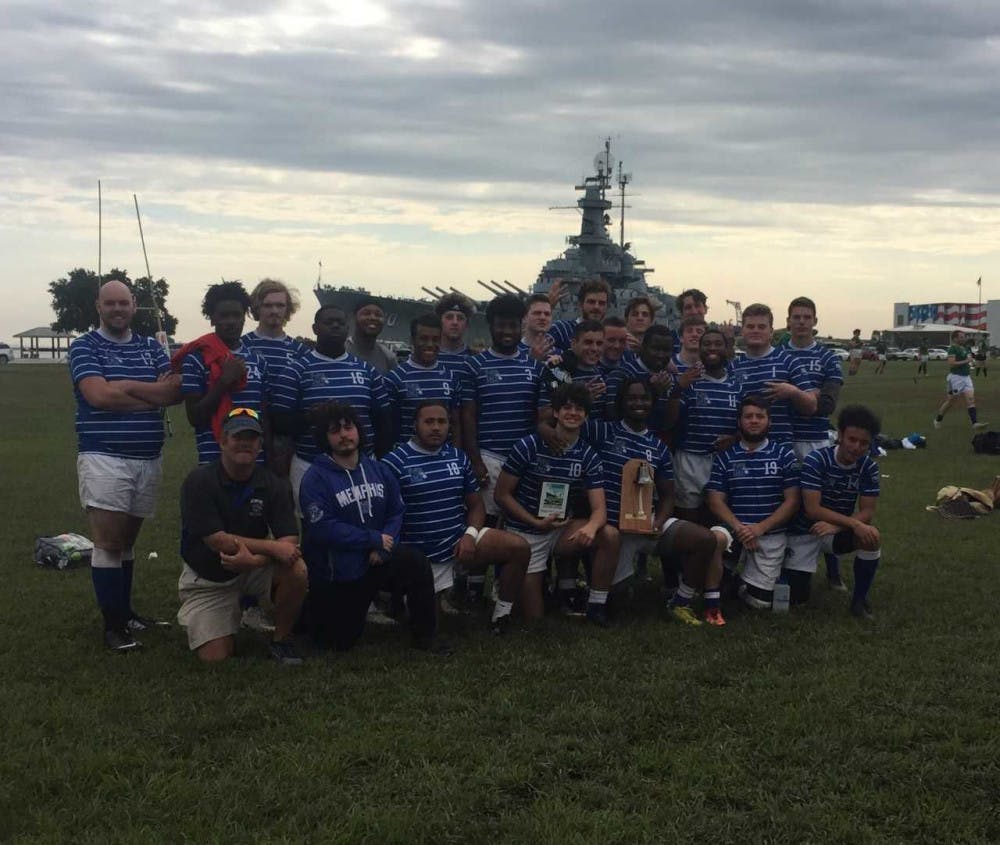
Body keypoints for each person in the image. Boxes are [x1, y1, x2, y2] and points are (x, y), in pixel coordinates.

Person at [69, 280, 183, 651]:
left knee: (128, 543)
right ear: (98, 307)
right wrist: (150, 395)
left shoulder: (151, 346)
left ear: (134, 305)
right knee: (108, 543)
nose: (117, 309)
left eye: (123, 303)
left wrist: (126, 387)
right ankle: (113, 626)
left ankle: (126, 612)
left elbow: (174, 391)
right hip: (104, 456)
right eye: (110, 303)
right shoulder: (85, 346)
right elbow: (99, 396)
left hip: (148, 458)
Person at [298, 402, 446, 653]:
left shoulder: (378, 469)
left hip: (378, 558)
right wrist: (371, 539)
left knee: (416, 563)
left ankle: (425, 636)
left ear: (358, 430)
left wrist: (385, 544)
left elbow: (396, 510)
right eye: (335, 431)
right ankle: (309, 617)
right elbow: (323, 527)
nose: (344, 435)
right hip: (342, 570)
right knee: (337, 644)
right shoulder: (315, 478)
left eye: (348, 428)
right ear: (325, 438)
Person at [584, 377, 730, 626]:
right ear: (621, 402)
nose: (638, 403)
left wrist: (658, 523)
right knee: (618, 602)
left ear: (653, 403)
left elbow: (668, 495)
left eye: (644, 398)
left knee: (705, 540)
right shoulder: (603, 431)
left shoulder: (658, 447)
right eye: (632, 398)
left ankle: (680, 601)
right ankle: (599, 599)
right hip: (613, 527)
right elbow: (566, 426)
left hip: (646, 523)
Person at [382, 400, 530, 634]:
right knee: (428, 628)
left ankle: (501, 616)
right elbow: (384, 515)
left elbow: (476, 505)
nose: (436, 427)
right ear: (415, 425)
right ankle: (400, 599)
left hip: (458, 542)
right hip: (420, 554)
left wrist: (470, 535)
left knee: (518, 547)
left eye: (442, 422)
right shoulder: (393, 462)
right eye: (429, 422)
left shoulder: (458, 457)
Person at [177, 409, 307, 664]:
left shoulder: (273, 483)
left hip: (252, 567)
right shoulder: (199, 481)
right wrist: (271, 549)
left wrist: (255, 561)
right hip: (210, 577)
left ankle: (282, 640)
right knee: (215, 657)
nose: (245, 443)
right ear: (223, 441)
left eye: (252, 438)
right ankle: (224, 616)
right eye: (237, 437)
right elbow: (218, 541)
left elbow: (289, 541)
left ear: (260, 445)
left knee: (297, 569)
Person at [494, 383, 616, 625]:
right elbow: (502, 495)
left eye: (579, 409)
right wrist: (534, 522)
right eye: (567, 408)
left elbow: (599, 509)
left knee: (609, 535)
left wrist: (591, 528)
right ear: (556, 413)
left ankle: (596, 606)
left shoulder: (588, 455)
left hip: (560, 531)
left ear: (586, 416)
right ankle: (508, 583)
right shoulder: (528, 445)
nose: (573, 413)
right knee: (533, 617)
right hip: (526, 533)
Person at [269, 304, 392, 509]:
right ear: (315, 328)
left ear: (347, 329)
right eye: (329, 322)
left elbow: (383, 420)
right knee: (314, 524)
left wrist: (375, 461)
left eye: (340, 323)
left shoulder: (367, 371)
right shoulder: (295, 371)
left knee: (367, 518)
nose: (335, 326)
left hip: (361, 465)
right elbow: (279, 422)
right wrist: (310, 418)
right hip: (311, 465)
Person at [784, 405, 882, 619]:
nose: (856, 447)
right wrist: (852, 524)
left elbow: (867, 511)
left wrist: (838, 526)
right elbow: (812, 509)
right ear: (840, 435)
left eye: (864, 443)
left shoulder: (869, 467)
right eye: (852, 439)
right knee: (796, 598)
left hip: (834, 530)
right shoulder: (816, 460)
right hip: (804, 531)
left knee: (871, 536)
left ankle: (859, 601)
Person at [705, 396, 800, 609]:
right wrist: (740, 528)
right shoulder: (725, 457)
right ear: (739, 422)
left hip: (770, 533)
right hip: (735, 530)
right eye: (748, 416)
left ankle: (740, 583)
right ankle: (724, 580)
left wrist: (759, 528)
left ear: (769, 421)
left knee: (759, 603)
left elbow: (792, 501)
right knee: (716, 541)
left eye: (760, 416)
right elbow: (714, 500)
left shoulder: (784, 455)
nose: (754, 421)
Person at [178, 281, 269, 465]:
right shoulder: (196, 359)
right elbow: (195, 417)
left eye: (236, 315)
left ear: (244, 318)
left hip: (254, 461)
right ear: (212, 319)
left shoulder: (258, 361)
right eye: (224, 316)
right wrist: (224, 381)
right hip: (213, 461)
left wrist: (269, 454)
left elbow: (264, 414)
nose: (231, 322)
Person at [665, 328, 742, 525]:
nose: (712, 348)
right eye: (706, 344)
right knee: (688, 521)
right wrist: (678, 389)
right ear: (699, 349)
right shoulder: (689, 381)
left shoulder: (737, 384)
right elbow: (670, 421)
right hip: (690, 459)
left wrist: (734, 438)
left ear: (726, 348)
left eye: (718, 344)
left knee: (720, 520)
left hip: (724, 460)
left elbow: (747, 424)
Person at [731, 303, 816, 444]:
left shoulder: (789, 362)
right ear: (742, 331)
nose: (756, 331)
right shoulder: (732, 367)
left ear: (771, 332)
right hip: (743, 448)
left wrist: (793, 392)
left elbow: (811, 407)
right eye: (750, 327)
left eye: (761, 327)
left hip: (780, 449)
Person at [383, 314, 463, 446]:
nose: (430, 344)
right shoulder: (395, 378)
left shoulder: (451, 377)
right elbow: (388, 426)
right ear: (412, 340)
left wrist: (456, 453)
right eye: (423, 338)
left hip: (444, 455)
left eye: (435, 339)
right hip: (408, 455)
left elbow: (455, 423)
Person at [782, 297, 844, 462]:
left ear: (815, 321)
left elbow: (827, 405)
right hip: (781, 438)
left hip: (815, 438)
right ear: (788, 321)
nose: (802, 322)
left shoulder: (828, 358)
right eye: (796, 317)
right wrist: (811, 396)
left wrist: (789, 394)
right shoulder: (777, 355)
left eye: (807, 317)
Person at [539, 320, 608, 421]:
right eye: (588, 342)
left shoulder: (602, 374)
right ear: (573, 343)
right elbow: (542, 415)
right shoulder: (556, 372)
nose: (594, 348)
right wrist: (580, 399)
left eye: (599, 343)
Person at [241, 279, 309, 375]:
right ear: (256, 308)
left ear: (288, 309)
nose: (274, 311)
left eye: (280, 305)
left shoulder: (301, 351)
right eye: (268, 305)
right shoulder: (242, 346)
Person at [933, 329, 988, 430]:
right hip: (956, 378)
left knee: (971, 400)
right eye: (961, 337)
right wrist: (967, 361)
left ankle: (975, 423)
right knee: (951, 401)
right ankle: (938, 419)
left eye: (964, 337)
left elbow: (969, 359)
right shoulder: (952, 349)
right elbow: (951, 363)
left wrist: (971, 362)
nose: (964, 339)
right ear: (955, 339)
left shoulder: (965, 348)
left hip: (966, 377)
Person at [546, 278, 611, 351]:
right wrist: (548, 307)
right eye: (591, 302)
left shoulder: (611, 336)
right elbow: (540, 347)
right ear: (580, 304)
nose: (596, 307)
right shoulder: (561, 330)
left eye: (601, 303)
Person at [346, 298, 397, 373]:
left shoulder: (388, 357)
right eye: (366, 313)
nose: (373, 318)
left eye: (378, 315)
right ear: (354, 316)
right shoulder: (340, 351)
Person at [520, 293, 557, 360]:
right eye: (537, 313)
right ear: (525, 317)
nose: (543, 317)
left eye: (547, 314)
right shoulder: (512, 352)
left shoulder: (560, 355)